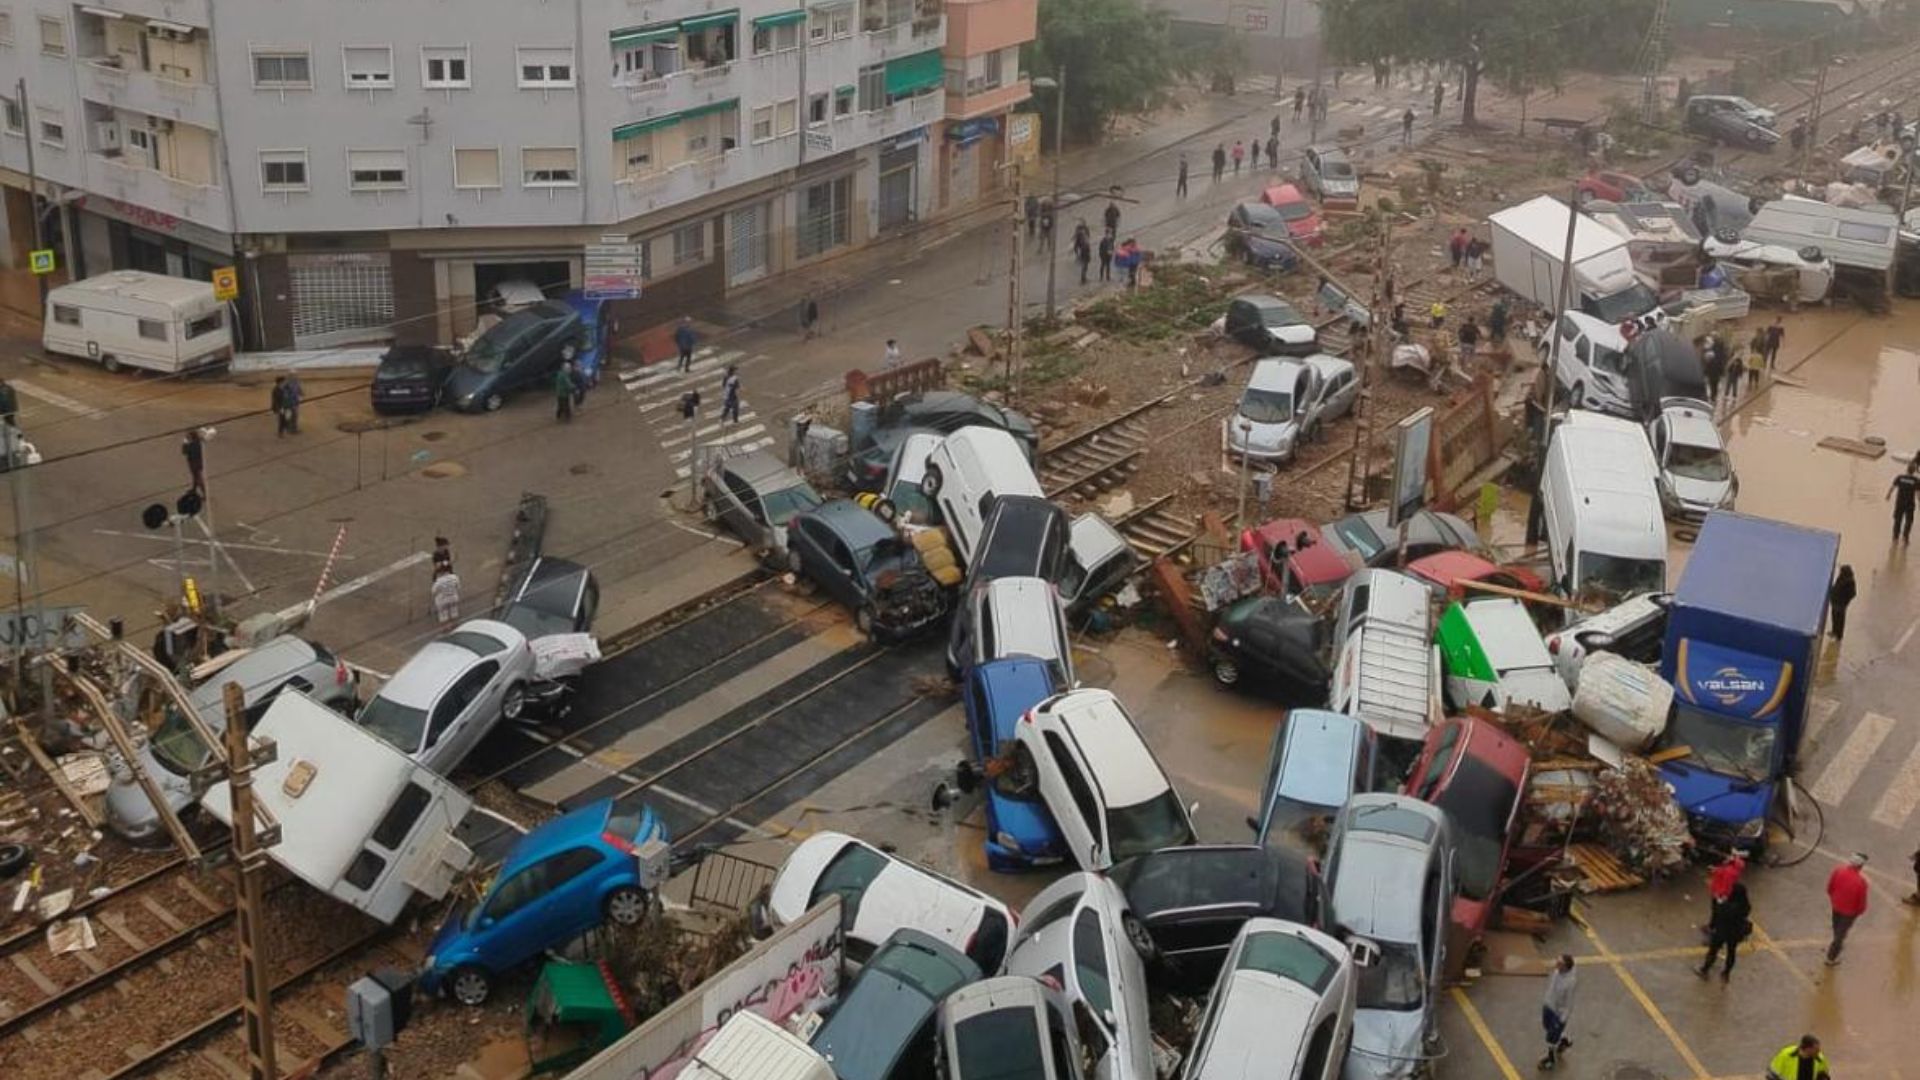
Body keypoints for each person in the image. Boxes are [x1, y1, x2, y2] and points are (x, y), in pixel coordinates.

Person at [1697, 882, 1751, 981]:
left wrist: (1719, 902)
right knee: (1731, 952)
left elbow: (1717, 914)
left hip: (1722, 932)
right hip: (1735, 933)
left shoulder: (1726, 906)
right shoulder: (1745, 906)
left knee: (1713, 950)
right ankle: (1726, 973)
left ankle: (1705, 969)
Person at [1825, 852, 1870, 965]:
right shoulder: (1861, 882)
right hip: (1849, 912)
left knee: (1836, 926)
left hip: (1836, 906)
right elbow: (1861, 903)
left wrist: (1834, 899)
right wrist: (1859, 912)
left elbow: (1829, 888)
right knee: (1841, 933)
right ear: (1861, 866)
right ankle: (1831, 957)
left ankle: (1837, 944)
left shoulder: (1838, 871)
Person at [1539, 954, 1575, 1071]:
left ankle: (1551, 1059)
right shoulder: (1556, 973)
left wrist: (1562, 1019)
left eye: (1559, 963)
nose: (1556, 965)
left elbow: (1569, 1003)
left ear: (1565, 967)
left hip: (1558, 1013)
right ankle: (1565, 1040)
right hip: (1549, 1006)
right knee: (1547, 1026)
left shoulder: (1570, 983)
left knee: (1551, 1038)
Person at [1766, 1035, 1831, 1080]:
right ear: (1808, 1049)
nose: (1819, 1051)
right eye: (1816, 1049)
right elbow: (1772, 1075)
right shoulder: (1786, 1055)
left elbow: (1823, 1075)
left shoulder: (1819, 1058)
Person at [1889, 458, 1918, 543]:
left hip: (1899, 503)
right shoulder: (1916, 480)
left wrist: (1888, 495)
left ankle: (1895, 537)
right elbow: (1917, 494)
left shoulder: (1900, 477)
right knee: (1909, 520)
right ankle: (1905, 537)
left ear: (1907, 469)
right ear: (1914, 471)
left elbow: (1892, 488)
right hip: (1910, 504)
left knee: (1898, 519)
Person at [1828, 565, 1856, 641]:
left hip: (1841, 604)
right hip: (1835, 602)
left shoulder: (1850, 582)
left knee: (1840, 620)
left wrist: (1845, 601)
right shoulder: (1841, 577)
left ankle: (1839, 635)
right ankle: (1834, 631)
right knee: (1834, 618)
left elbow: (1853, 594)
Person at [1701, 336, 1726, 404]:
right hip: (1714, 372)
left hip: (1714, 372)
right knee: (1713, 385)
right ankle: (1713, 397)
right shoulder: (1716, 352)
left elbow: (1707, 363)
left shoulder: (1715, 351)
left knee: (1713, 385)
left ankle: (1713, 397)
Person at [182, 429, 206, 495]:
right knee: (196, 477)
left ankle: (204, 493)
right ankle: (194, 490)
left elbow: (184, 452)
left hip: (194, 463)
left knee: (198, 478)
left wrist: (185, 443)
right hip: (199, 461)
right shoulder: (198, 442)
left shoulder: (191, 444)